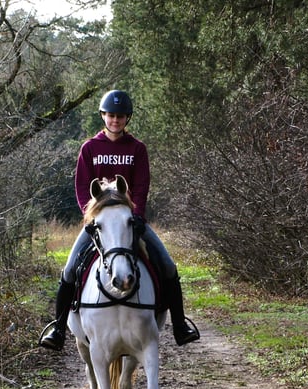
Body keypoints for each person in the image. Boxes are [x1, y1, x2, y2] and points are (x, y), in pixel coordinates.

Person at [40, 89, 200, 351]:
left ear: (128, 118)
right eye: (111, 115)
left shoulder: (137, 149)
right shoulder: (90, 148)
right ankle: (58, 328)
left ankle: (180, 325)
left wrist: (136, 217)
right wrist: (90, 217)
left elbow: (141, 186)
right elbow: (82, 187)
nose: (116, 120)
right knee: (69, 269)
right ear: (103, 116)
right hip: (99, 223)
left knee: (168, 266)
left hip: (130, 220)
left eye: (121, 116)